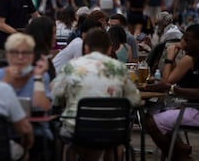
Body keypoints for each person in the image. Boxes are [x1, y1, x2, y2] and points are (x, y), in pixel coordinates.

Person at [52, 28, 141, 161]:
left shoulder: (71, 67)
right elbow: (135, 100)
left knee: (68, 142)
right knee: (114, 144)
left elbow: (55, 97)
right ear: (109, 49)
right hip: (112, 130)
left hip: (77, 130)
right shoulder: (119, 68)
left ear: (86, 48)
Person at [142, 24, 199, 160]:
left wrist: (170, 58)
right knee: (159, 114)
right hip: (192, 106)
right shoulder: (195, 58)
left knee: (151, 122)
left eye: (189, 41)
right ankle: (181, 149)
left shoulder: (195, 59)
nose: (185, 45)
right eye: (183, 40)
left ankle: (181, 157)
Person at [0, 33, 52, 160]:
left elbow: (42, 107)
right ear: (7, 55)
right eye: (14, 52)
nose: (20, 57)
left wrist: (37, 78)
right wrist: (7, 79)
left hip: (36, 130)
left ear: (31, 56)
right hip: (3, 129)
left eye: (25, 53)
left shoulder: (41, 75)